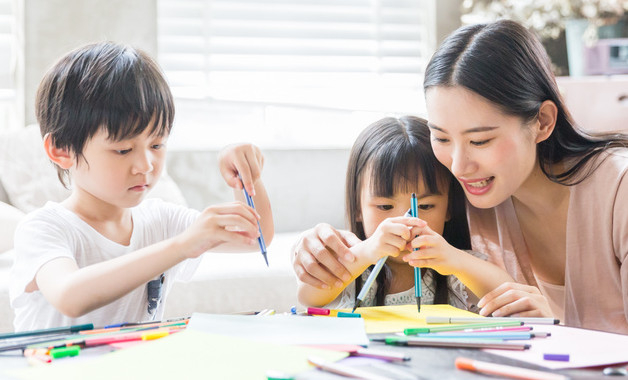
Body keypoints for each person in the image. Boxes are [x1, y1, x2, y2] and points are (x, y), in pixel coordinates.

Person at [293, 20, 628, 334]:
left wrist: (555, 335)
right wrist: (313, 247)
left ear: (542, 121)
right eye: (441, 137)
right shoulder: (463, 190)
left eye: (480, 140)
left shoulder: (619, 191)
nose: (458, 165)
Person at [9, 42, 274, 331]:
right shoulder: (44, 228)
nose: (146, 165)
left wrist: (247, 177)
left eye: (157, 144)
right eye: (123, 150)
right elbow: (69, 295)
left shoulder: (160, 220)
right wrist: (182, 246)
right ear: (61, 150)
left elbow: (255, 237)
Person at [297, 116, 513, 310]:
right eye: (384, 207)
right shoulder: (350, 262)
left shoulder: (455, 268)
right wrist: (367, 252)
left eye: (426, 206)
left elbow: (509, 294)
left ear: (448, 208)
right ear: (357, 208)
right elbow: (308, 296)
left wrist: (454, 259)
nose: (405, 223)